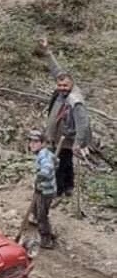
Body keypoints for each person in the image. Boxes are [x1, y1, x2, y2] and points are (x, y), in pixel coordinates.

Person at [39, 37, 91, 199]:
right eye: (59, 85)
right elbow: (57, 70)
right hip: (58, 133)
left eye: (64, 86)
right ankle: (69, 186)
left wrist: (78, 143)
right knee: (65, 161)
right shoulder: (63, 87)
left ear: (71, 85)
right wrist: (47, 51)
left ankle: (60, 190)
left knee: (60, 162)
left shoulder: (75, 101)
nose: (61, 88)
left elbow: (83, 123)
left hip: (67, 136)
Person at [27, 130, 57, 249]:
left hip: (45, 191)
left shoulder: (43, 155)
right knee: (37, 209)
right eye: (30, 141)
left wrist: (41, 177)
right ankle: (40, 223)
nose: (32, 144)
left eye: (36, 141)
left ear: (42, 143)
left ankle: (46, 238)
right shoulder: (47, 153)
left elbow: (47, 167)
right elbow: (56, 161)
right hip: (47, 189)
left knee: (42, 214)